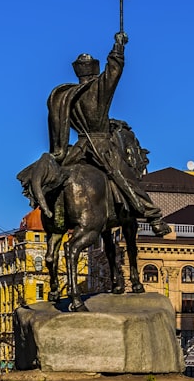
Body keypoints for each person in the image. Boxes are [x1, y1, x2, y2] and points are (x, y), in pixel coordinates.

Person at [46, 32, 171, 236]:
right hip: (101, 147)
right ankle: (154, 217)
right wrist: (118, 47)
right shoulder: (96, 89)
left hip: (78, 149)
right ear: (94, 73)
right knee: (128, 179)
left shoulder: (67, 97)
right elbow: (114, 71)